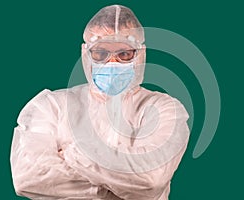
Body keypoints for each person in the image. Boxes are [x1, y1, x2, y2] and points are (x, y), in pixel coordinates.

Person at [10, 4, 190, 200]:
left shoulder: (165, 108)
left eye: (124, 54)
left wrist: (72, 153)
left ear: (141, 54)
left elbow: (150, 180)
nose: (112, 63)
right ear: (85, 53)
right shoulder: (52, 106)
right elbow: (27, 178)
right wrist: (117, 187)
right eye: (101, 53)